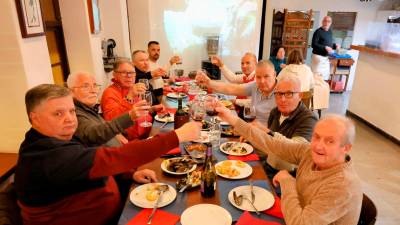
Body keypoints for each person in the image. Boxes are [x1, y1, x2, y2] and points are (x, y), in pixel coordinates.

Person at [15, 84, 201, 225]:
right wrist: (177, 136)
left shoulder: (54, 140)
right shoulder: (46, 157)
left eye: (72, 111)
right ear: (35, 118)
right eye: (58, 114)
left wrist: (128, 174)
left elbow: (89, 166)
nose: (70, 119)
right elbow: (114, 157)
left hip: (116, 205)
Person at [217, 107, 362, 225]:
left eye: (330, 141)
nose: (318, 146)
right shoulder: (308, 152)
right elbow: (273, 144)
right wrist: (231, 118)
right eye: (316, 137)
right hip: (294, 211)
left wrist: (287, 181)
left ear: (346, 148)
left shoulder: (342, 185)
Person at [251, 74, 317, 179]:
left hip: (288, 177)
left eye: (289, 94)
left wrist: (266, 131)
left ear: (300, 96)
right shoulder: (275, 112)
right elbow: (270, 146)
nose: (282, 99)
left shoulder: (309, 119)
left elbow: (294, 151)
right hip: (269, 166)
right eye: (279, 94)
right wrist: (252, 137)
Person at [196, 60, 276, 126]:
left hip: (268, 138)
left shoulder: (281, 94)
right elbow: (230, 88)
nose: (262, 81)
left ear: (274, 75)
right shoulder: (255, 86)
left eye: (266, 76)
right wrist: (208, 82)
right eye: (258, 77)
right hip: (253, 130)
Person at [101, 58, 160, 140]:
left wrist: (152, 109)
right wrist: (129, 97)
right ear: (114, 75)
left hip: (148, 132)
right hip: (133, 140)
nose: (129, 76)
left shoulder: (132, 87)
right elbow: (111, 122)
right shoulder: (109, 92)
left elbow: (139, 110)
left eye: (132, 72)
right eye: (124, 72)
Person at [311, 16, 340, 80]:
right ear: (322, 22)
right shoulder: (318, 31)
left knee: (325, 76)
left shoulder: (330, 31)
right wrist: (324, 47)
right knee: (316, 76)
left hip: (326, 58)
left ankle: (322, 89)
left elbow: (328, 44)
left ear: (331, 23)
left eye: (328, 21)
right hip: (317, 57)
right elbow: (313, 44)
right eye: (325, 21)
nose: (326, 23)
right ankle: (314, 89)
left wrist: (335, 46)